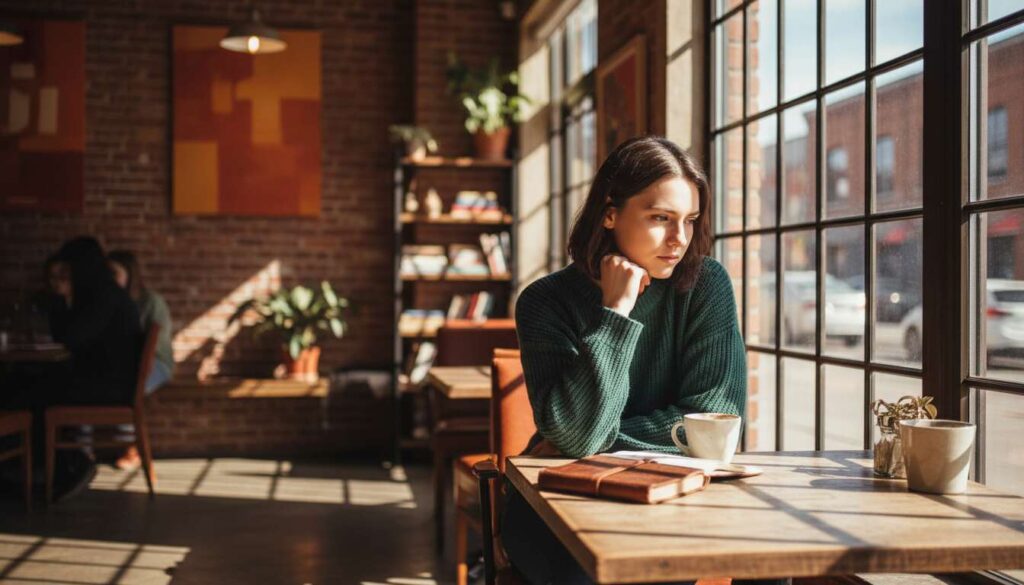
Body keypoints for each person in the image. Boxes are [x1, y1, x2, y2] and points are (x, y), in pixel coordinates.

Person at [503, 136, 783, 585]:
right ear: (610, 213)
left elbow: (714, 426)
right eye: (660, 218)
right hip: (561, 506)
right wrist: (615, 313)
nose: (679, 239)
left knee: (771, 565)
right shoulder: (545, 301)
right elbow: (579, 433)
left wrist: (596, 442)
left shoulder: (705, 285)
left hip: (674, 503)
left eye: (689, 220)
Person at [107, 249, 173, 470]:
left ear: (130, 273)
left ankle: (131, 447)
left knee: (128, 386)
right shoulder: (107, 302)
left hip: (156, 364)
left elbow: (154, 346)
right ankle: (81, 451)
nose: (109, 278)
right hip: (122, 365)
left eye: (113, 272)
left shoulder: (150, 301)